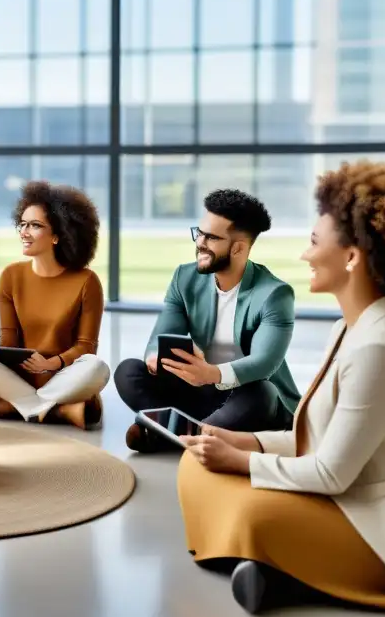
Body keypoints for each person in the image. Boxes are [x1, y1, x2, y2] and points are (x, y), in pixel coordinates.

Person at [177, 161, 385, 615]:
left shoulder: (378, 348)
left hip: (372, 523)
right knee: (197, 466)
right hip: (341, 492)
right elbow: (318, 437)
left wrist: (243, 460)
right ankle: (273, 567)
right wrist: (242, 440)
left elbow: (330, 473)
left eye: (313, 242)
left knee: (247, 507)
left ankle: (290, 572)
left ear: (351, 258)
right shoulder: (352, 328)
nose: (304, 254)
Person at [114, 189, 299, 452]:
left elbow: (263, 364)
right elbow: (161, 335)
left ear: (238, 248)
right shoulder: (184, 278)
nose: (200, 242)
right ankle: (196, 435)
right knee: (129, 371)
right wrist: (155, 357)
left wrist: (211, 373)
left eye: (211, 237)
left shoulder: (274, 294)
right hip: (199, 392)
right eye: (199, 233)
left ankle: (167, 433)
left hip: (243, 393)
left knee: (263, 393)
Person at [0, 181, 110, 430]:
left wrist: (51, 364)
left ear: (57, 235)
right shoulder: (10, 275)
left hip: (63, 376)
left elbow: (86, 348)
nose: (24, 231)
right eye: (22, 224)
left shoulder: (87, 281)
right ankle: (57, 410)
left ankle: (10, 407)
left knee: (97, 368)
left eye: (35, 225)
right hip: (21, 376)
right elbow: (8, 338)